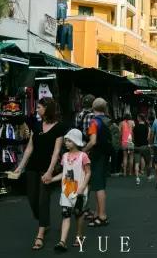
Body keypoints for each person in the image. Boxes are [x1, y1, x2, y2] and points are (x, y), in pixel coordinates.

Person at [14, 97, 66, 250]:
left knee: (43, 200)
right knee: (32, 199)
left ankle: (40, 234)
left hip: (46, 168)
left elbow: (56, 152)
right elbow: (29, 148)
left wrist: (50, 172)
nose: (36, 110)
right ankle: (44, 220)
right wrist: (20, 167)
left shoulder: (59, 127)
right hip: (32, 167)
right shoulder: (36, 126)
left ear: (47, 108)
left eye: (39, 107)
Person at [49, 129, 91, 252]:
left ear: (76, 141)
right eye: (66, 140)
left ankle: (79, 235)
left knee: (78, 214)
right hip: (66, 190)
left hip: (79, 191)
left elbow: (88, 172)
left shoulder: (83, 156)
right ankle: (62, 242)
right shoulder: (65, 156)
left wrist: (82, 187)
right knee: (66, 215)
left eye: (69, 140)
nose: (66, 143)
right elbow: (64, 173)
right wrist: (52, 179)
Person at [83, 98, 111, 227]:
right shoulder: (108, 120)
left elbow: (93, 141)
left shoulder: (94, 121)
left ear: (93, 108)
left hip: (97, 156)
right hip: (106, 155)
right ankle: (97, 213)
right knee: (100, 185)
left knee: (98, 186)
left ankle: (102, 216)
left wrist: (84, 150)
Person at [132, 115, 153, 186]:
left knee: (137, 163)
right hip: (145, 146)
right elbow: (148, 138)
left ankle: (137, 178)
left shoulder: (134, 127)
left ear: (138, 119)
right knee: (149, 162)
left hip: (137, 147)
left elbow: (133, 138)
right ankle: (148, 176)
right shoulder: (147, 128)